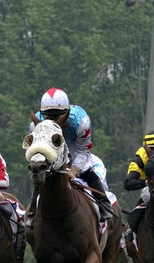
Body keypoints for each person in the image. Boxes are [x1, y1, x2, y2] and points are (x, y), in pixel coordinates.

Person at [25, 87, 115, 226]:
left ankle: (105, 206)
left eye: (57, 116)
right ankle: (32, 212)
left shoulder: (81, 121)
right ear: (43, 114)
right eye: (49, 116)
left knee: (86, 169)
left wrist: (73, 171)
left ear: (67, 112)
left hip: (75, 148)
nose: (53, 120)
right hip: (52, 150)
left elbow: (83, 151)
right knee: (42, 174)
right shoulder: (36, 125)